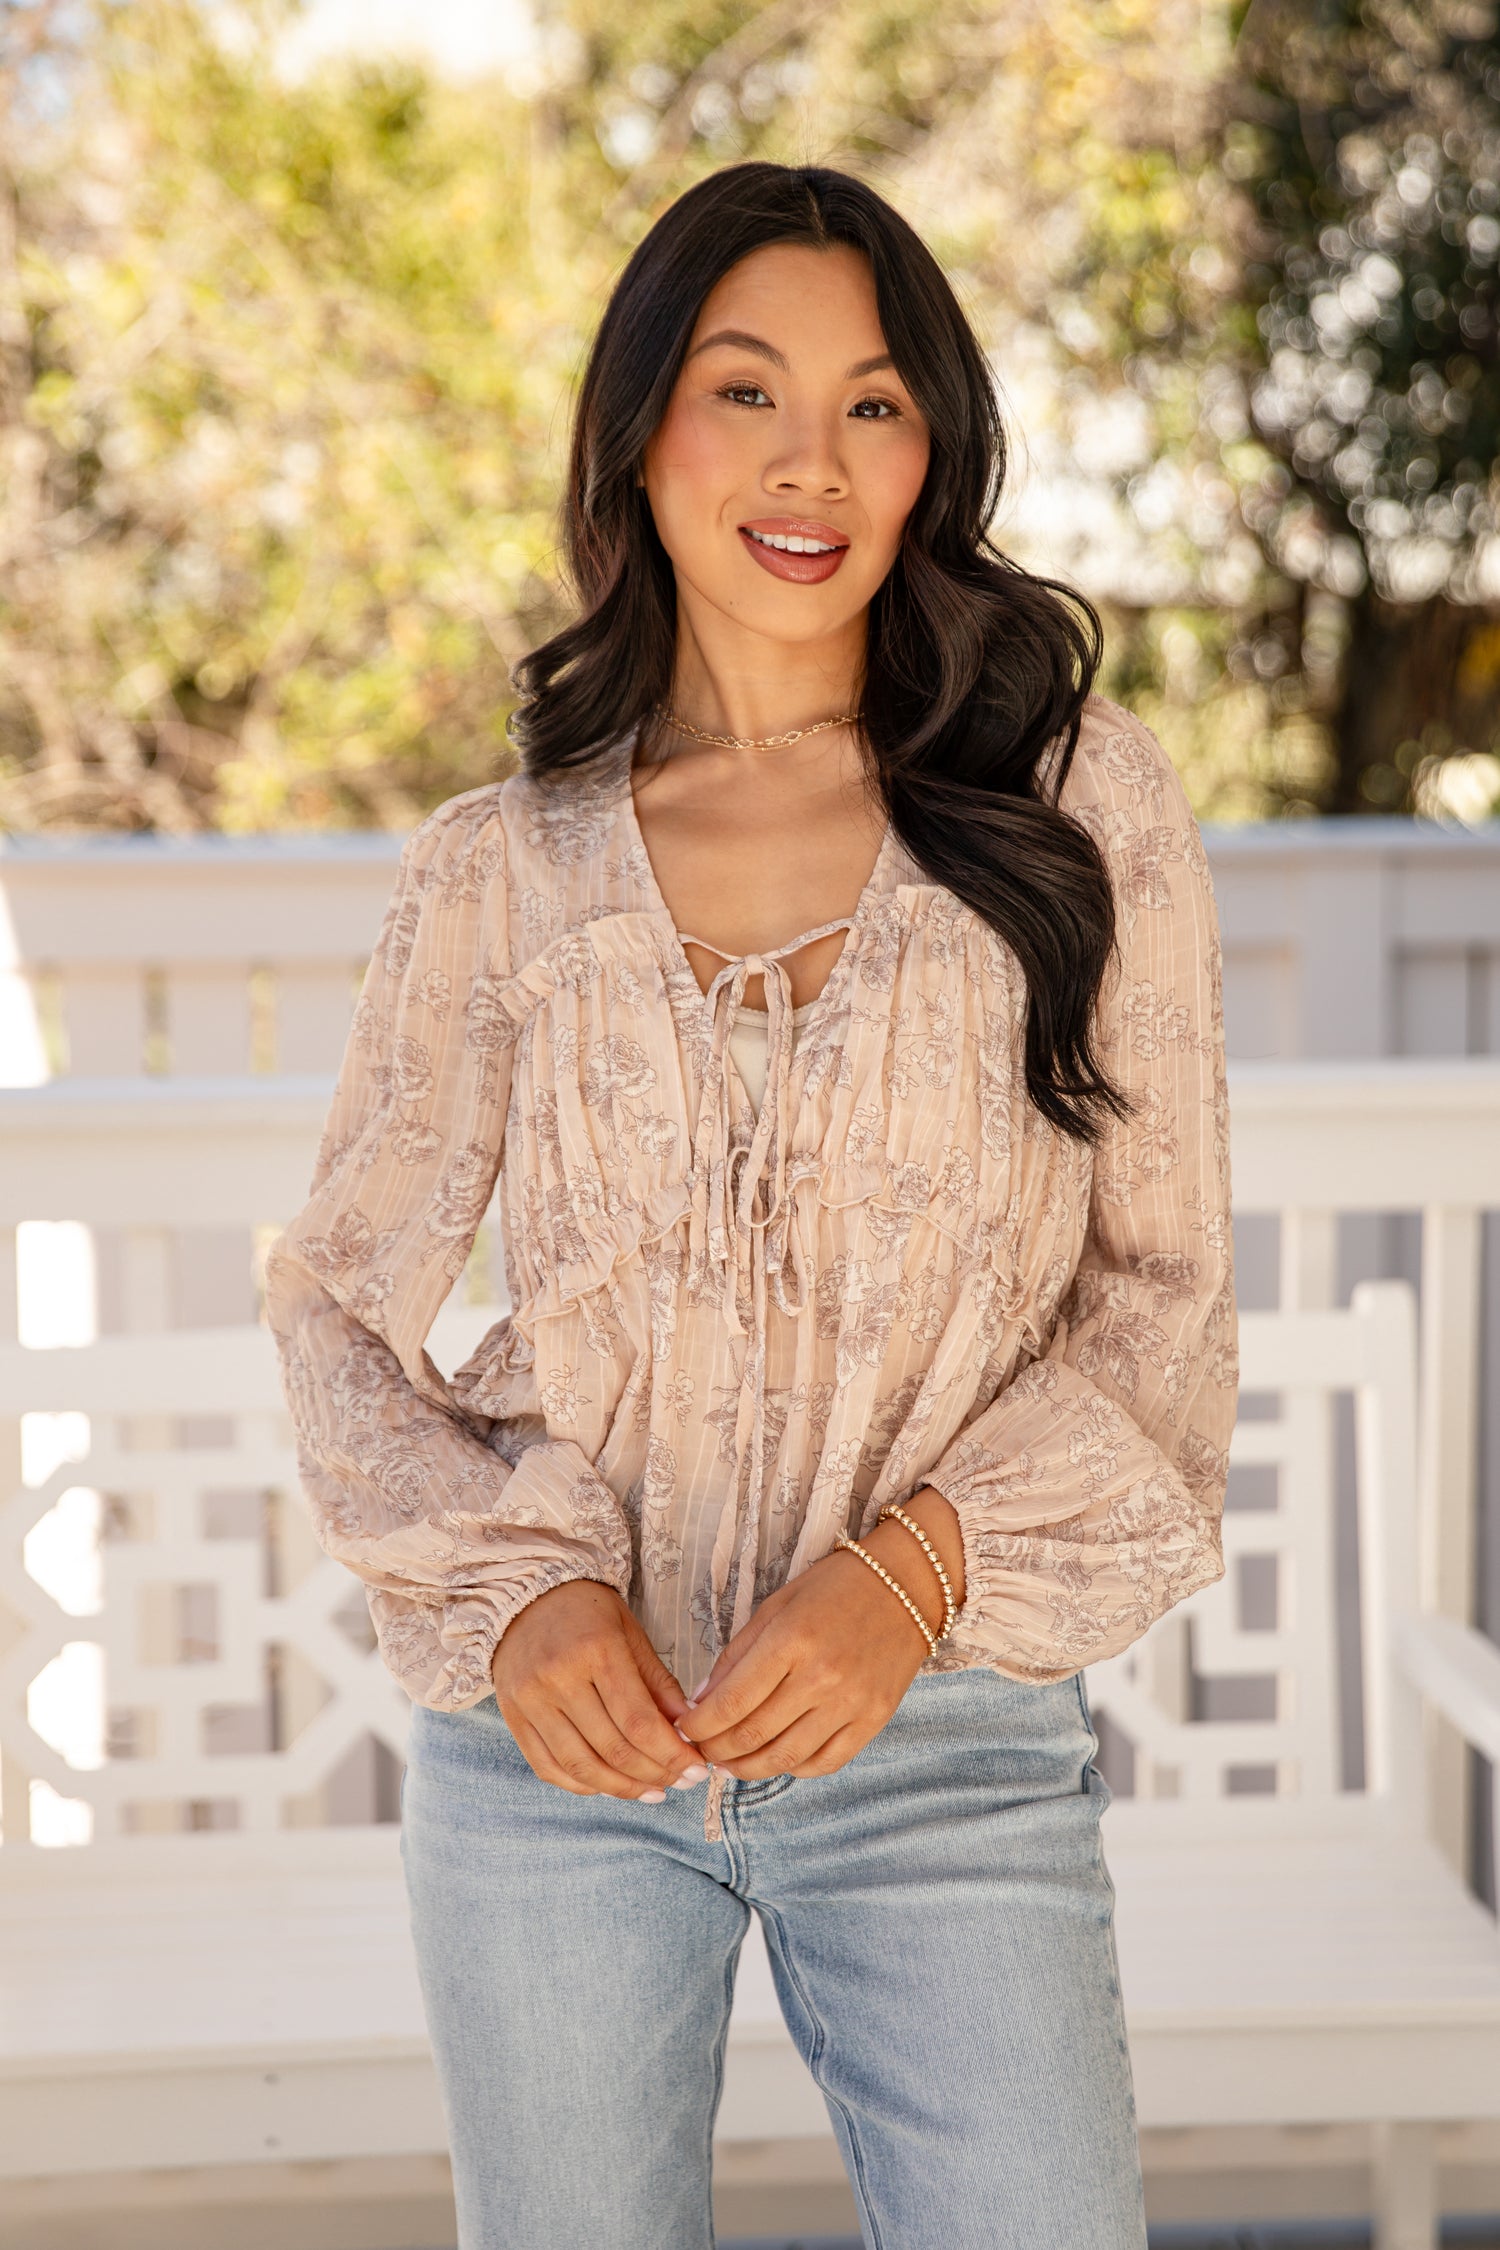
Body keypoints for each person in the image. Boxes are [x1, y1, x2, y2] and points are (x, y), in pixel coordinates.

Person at [266, 160, 1236, 2250]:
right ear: (643, 432)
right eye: (746, 390)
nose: (813, 463)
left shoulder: (1079, 809)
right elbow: (342, 1304)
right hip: (561, 1774)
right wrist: (518, 1596)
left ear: (933, 449)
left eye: (875, 404)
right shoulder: (498, 869)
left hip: (954, 1745)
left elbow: (1162, 1307)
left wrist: (907, 1579)